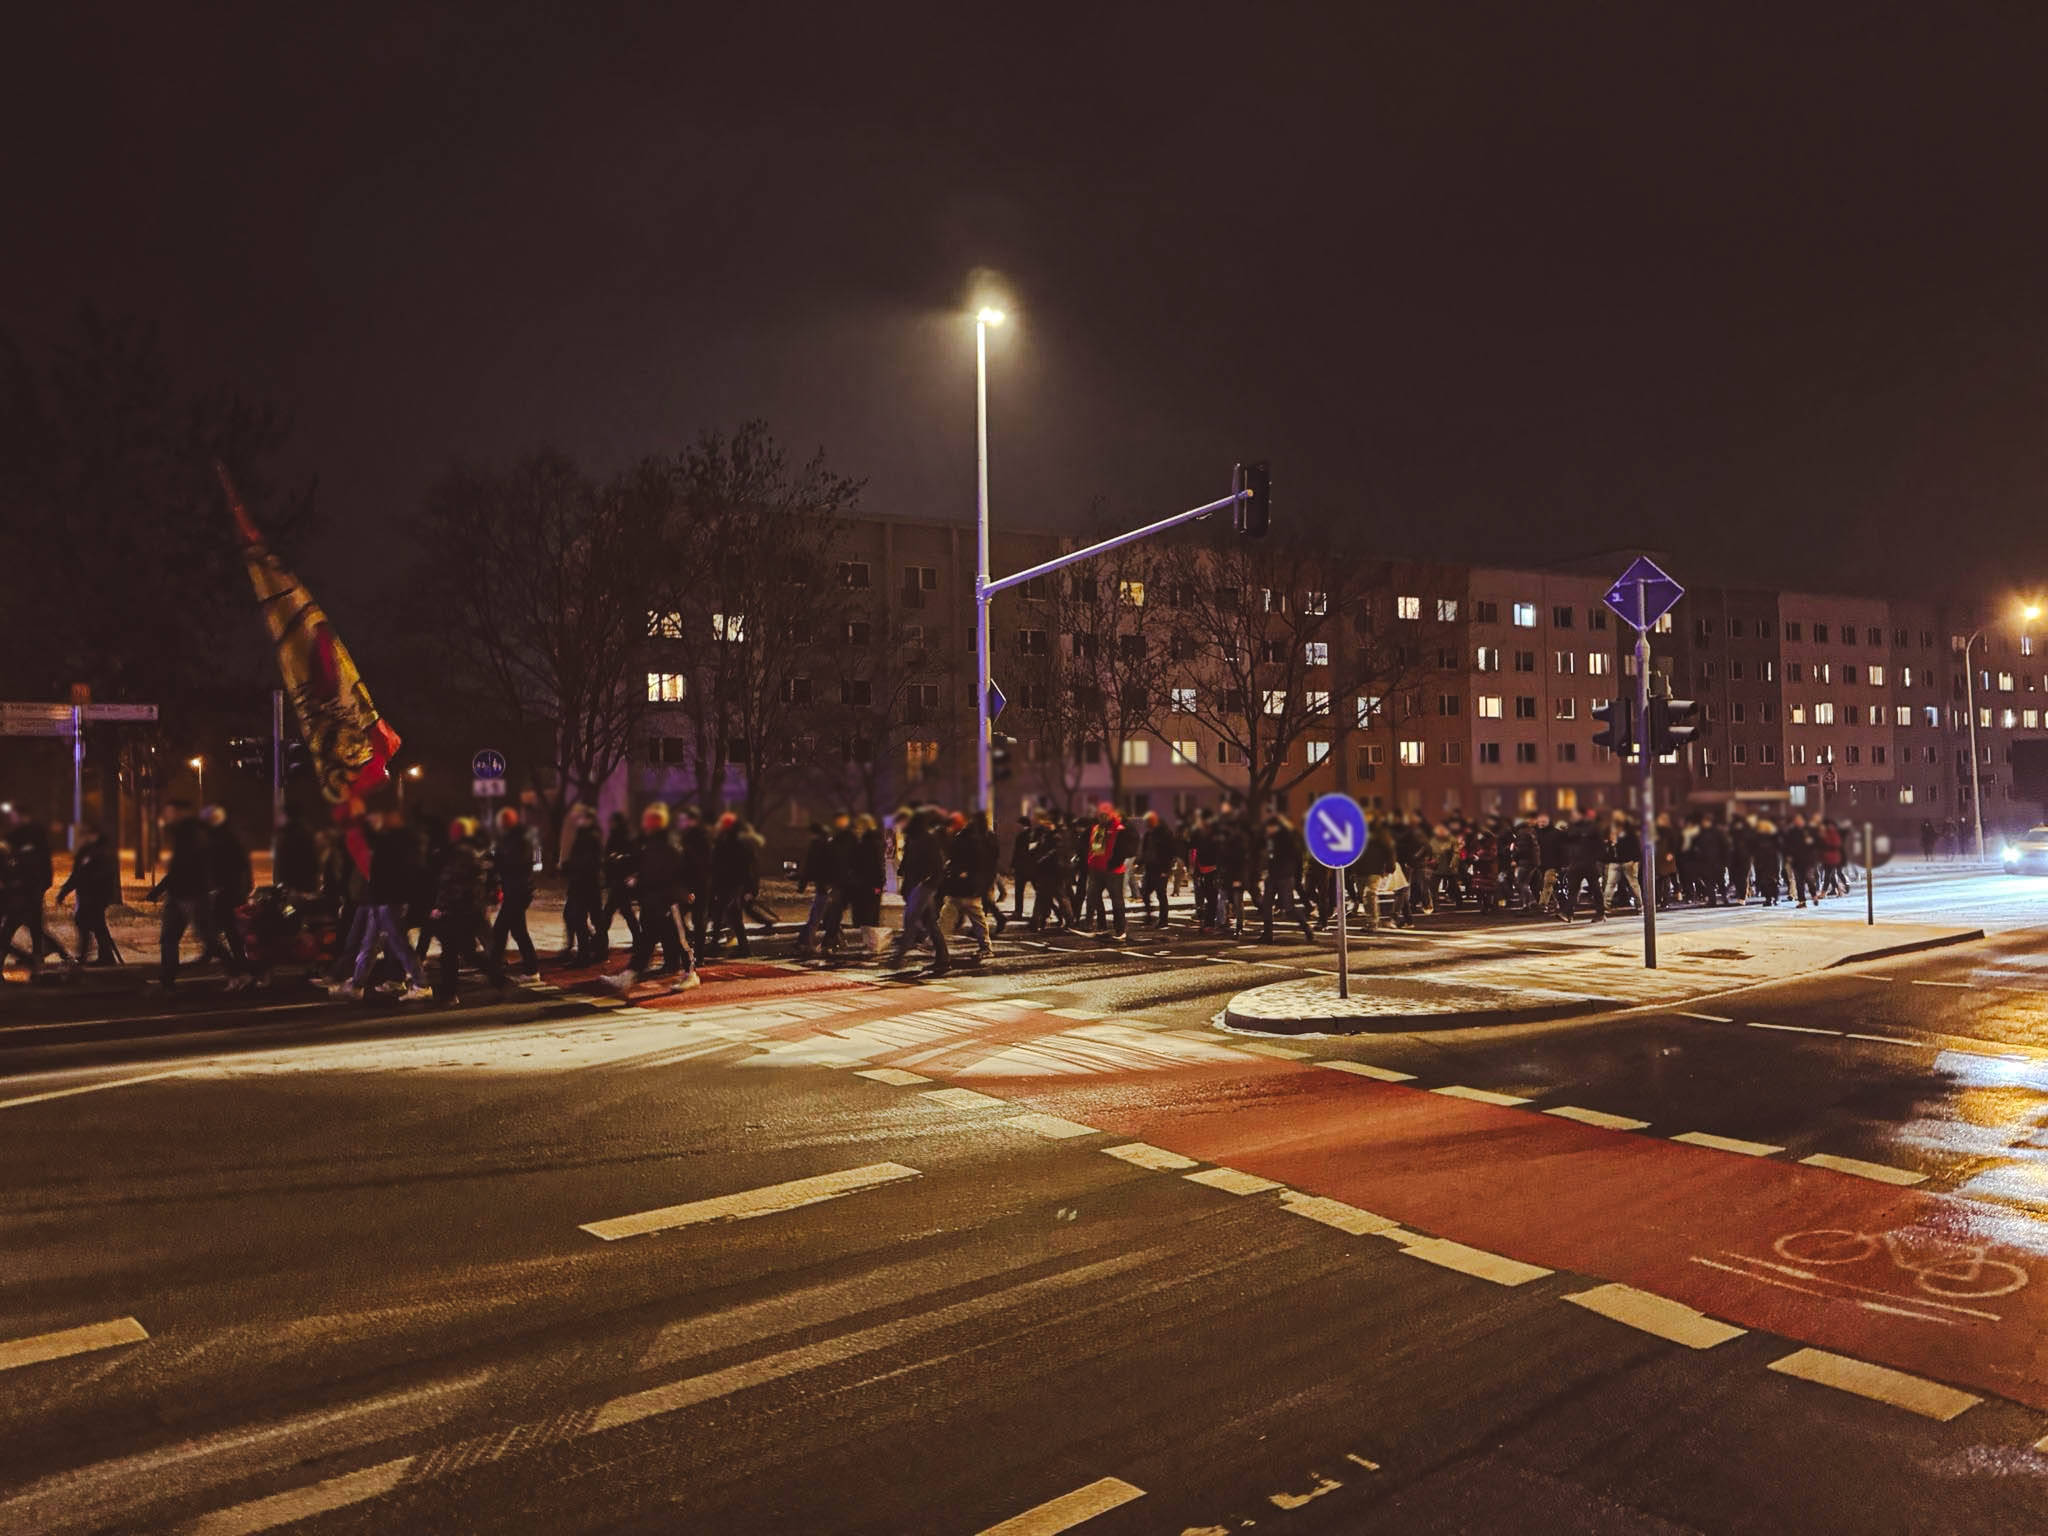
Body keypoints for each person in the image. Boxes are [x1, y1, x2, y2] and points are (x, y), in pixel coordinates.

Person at [333, 808, 429, 1000]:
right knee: (369, 944)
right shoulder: (391, 840)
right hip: (379, 900)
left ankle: (421, 984)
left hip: (389, 900)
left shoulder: (401, 841)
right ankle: (357, 985)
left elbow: (399, 871)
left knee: (398, 943)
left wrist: (362, 823)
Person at [605, 802, 700, 993]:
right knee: (647, 940)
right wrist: (637, 879)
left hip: (669, 900)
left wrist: (685, 891)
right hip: (654, 900)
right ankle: (630, 974)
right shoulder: (650, 844)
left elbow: (678, 871)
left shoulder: (669, 844)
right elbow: (646, 868)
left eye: (649, 820)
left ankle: (691, 974)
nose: (645, 824)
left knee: (679, 938)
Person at [430, 817, 507, 1003]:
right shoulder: (477, 853)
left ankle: (449, 993)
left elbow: (450, 885)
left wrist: (441, 907)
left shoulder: (457, 856)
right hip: (472, 909)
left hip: (457, 910)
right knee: (465, 952)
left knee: (451, 951)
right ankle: (497, 978)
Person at [148, 801, 213, 988]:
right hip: (177, 894)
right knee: (168, 937)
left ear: (181, 813)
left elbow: (185, 868)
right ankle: (168, 978)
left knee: (207, 939)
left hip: (192, 895)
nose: (166, 816)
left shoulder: (194, 835)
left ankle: (237, 969)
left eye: (170, 813)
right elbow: (177, 868)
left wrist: (159, 889)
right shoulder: (181, 835)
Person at [890, 809, 951, 973]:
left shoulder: (927, 839)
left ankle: (898, 957)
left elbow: (937, 865)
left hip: (924, 886)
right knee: (929, 922)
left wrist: (926, 880)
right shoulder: (913, 838)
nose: (899, 826)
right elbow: (909, 862)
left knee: (911, 919)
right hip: (918, 885)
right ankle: (943, 958)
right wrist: (904, 874)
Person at [202, 806, 255, 988]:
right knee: (230, 933)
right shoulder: (226, 838)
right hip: (230, 892)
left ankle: (238, 970)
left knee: (220, 932)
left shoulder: (220, 840)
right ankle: (239, 968)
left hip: (225, 893)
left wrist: (218, 887)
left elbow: (220, 867)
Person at [58, 823, 121, 965]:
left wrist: (88, 883)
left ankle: (101, 956)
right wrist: (65, 890)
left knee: (94, 924)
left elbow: (101, 875)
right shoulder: (86, 851)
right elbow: (77, 874)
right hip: (87, 895)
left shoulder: (102, 851)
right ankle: (96, 955)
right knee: (87, 923)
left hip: (96, 896)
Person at [488, 807, 538, 975]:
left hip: (518, 891)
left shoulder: (518, 840)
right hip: (516, 890)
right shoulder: (513, 838)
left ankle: (495, 967)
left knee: (501, 930)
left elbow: (515, 864)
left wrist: (497, 863)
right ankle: (530, 968)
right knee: (517, 931)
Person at [559, 805, 603, 962]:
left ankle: (588, 952)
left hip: (585, 884)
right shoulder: (582, 835)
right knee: (574, 916)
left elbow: (589, 862)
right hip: (580, 884)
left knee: (582, 918)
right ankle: (587, 948)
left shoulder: (591, 836)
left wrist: (570, 867)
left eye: (580, 817)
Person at [595, 811, 640, 958]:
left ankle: (600, 943)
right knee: (626, 912)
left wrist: (619, 858)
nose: (610, 825)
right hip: (616, 880)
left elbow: (633, 858)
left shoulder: (625, 838)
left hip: (621, 881)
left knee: (608, 913)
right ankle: (638, 940)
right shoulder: (614, 837)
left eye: (612, 822)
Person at [1137, 811, 1176, 928]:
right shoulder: (1148, 834)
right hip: (1150, 868)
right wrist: (1140, 862)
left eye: (1148, 822)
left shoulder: (1165, 833)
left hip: (1160, 869)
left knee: (1161, 894)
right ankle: (1149, 917)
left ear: (1154, 821)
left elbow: (1169, 852)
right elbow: (1145, 850)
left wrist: (1166, 870)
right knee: (1145, 893)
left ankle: (1163, 920)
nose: (1146, 825)